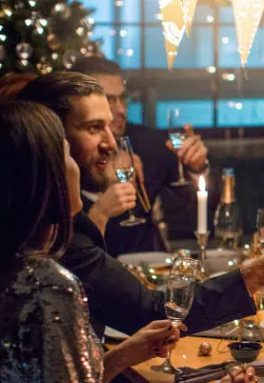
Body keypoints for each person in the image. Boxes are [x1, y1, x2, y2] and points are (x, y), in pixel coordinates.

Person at [0, 101, 258, 383]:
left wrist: (121, 356)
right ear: (43, 175)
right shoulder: (51, 285)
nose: (79, 163)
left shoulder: (9, 266)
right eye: (64, 152)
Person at [18, 72, 264, 339]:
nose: (111, 142)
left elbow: (199, 201)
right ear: (51, 138)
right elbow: (155, 312)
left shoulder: (36, 215)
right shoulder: (53, 239)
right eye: (92, 128)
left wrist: (197, 168)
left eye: (117, 107)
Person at [71, 56, 209, 257]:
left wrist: (197, 167)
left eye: (122, 98)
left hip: (150, 271)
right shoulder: (62, 155)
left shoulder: (148, 143)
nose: (120, 109)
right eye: (108, 99)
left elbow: (206, 204)